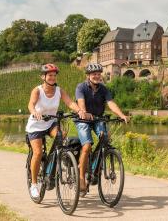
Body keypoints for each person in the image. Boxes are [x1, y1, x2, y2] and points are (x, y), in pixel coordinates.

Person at [26, 64, 86, 198]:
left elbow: (70, 102)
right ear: (43, 77)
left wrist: (79, 111)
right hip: (36, 125)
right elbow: (31, 104)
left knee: (62, 136)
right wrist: (34, 112)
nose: (52, 78)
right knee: (38, 152)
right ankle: (34, 184)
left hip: (50, 123)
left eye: (54, 75)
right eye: (50, 75)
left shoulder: (59, 90)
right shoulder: (37, 90)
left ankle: (56, 161)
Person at [75, 63, 128, 196]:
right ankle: (81, 176)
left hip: (98, 118)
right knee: (86, 146)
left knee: (106, 138)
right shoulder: (81, 87)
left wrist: (121, 115)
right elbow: (80, 102)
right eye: (94, 74)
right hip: (83, 120)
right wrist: (84, 112)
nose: (97, 76)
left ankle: (96, 167)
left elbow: (111, 103)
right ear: (88, 75)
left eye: (98, 74)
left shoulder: (103, 89)